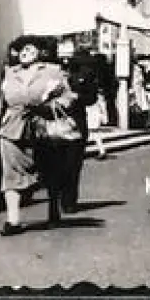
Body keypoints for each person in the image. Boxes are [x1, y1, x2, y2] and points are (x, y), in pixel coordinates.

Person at [0, 40, 73, 235]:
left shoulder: (53, 71)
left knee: (50, 170)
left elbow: (67, 99)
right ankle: (13, 221)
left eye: (29, 48)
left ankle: (53, 210)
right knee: (10, 173)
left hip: (42, 126)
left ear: (40, 52)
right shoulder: (10, 72)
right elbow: (1, 102)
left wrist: (50, 104)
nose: (24, 52)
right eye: (21, 49)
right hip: (12, 127)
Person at [60, 46, 102, 211]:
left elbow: (92, 97)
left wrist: (77, 97)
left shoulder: (87, 74)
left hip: (77, 122)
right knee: (60, 164)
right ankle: (58, 198)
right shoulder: (57, 74)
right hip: (56, 121)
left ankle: (69, 201)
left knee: (73, 163)